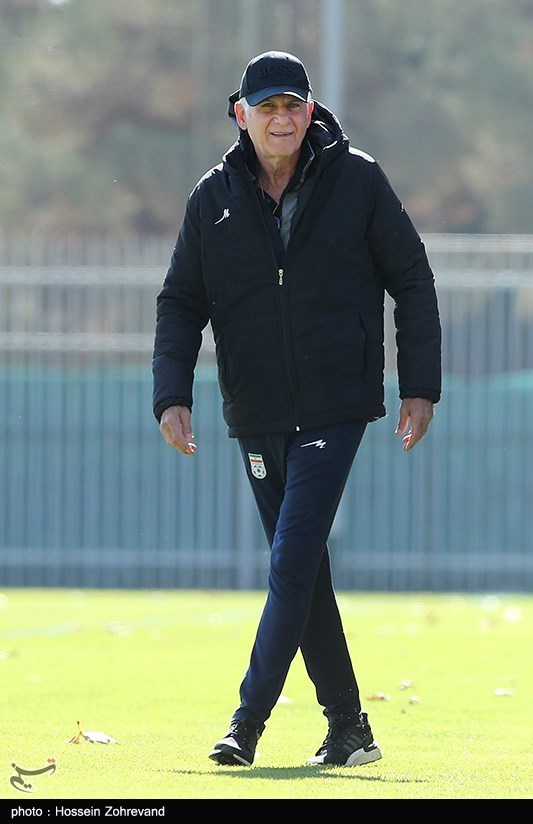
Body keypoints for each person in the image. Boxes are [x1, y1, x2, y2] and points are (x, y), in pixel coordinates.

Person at [152, 50, 441, 768]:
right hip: (255, 409)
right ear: (240, 115)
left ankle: (245, 723)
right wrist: (172, 393)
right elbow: (180, 301)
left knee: (289, 560)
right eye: (267, 107)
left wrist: (419, 384)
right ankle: (349, 728)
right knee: (303, 570)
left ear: (309, 112)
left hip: (336, 403)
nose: (281, 119)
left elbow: (411, 278)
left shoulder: (358, 179)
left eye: (292, 106)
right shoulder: (211, 197)